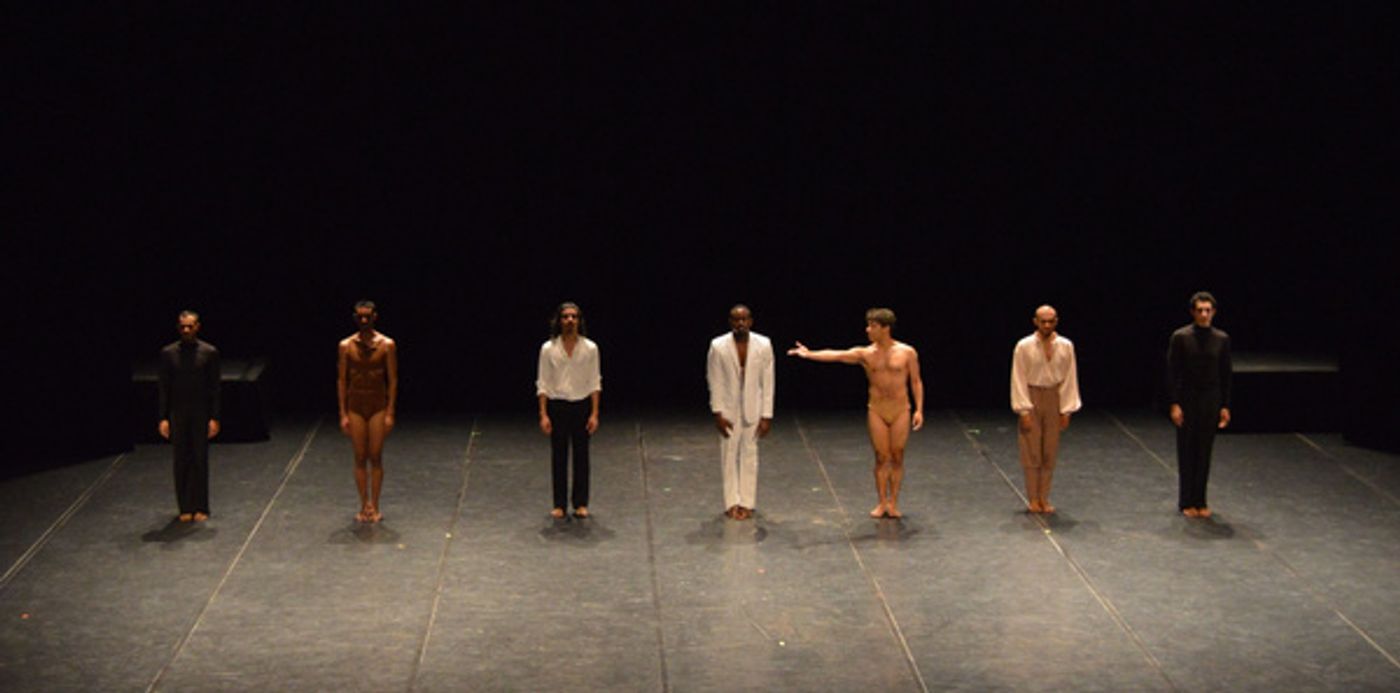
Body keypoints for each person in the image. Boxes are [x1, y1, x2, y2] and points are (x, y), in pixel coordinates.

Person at [788, 308, 924, 518]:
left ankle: (893, 503)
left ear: (885, 328)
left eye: (873, 326)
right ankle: (881, 502)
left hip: (900, 410)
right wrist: (809, 354)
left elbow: (915, 381)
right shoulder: (865, 354)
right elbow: (837, 355)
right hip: (877, 410)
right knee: (881, 457)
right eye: (868, 325)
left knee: (897, 456)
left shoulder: (907, 352)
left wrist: (919, 409)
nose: (868, 329)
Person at [1010, 305, 1082, 514]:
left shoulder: (1065, 345)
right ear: (1035, 321)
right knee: (1031, 451)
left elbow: (1070, 377)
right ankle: (1032, 498)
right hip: (1032, 396)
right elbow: (1018, 378)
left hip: (1054, 397)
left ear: (1056, 321)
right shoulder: (1024, 346)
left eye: (1051, 321)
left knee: (1050, 450)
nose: (1047, 325)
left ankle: (1044, 497)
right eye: (1043, 321)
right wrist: (1023, 410)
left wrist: (1066, 410)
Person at [707, 304, 776, 521]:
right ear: (730, 322)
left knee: (749, 454)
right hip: (728, 408)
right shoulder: (718, 346)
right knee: (728, 455)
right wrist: (717, 412)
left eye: (744, 319)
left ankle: (747, 502)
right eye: (736, 320)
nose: (740, 323)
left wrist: (767, 414)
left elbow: (768, 381)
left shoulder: (763, 344)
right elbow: (714, 380)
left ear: (751, 321)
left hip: (753, 408)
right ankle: (731, 502)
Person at [1167, 291, 1232, 518]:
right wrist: (1174, 403)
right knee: (1187, 449)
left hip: (1210, 399)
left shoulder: (1221, 339)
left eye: (1208, 310)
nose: (1204, 314)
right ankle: (1186, 501)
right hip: (1187, 398)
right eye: (1200, 310)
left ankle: (1201, 500)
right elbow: (1173, 372)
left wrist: (1225, 405)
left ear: (1213, 312)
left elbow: (1226, 374)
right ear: (1193, 312)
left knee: (1205, 450)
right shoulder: (1181, 337)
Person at [536, 302, 601, 519]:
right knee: (559, 455)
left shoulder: (590, 348)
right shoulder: (548, 349)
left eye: (574, 317)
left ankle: (581, 503)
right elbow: (543, 383)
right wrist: (543, 414)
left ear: (579, 320)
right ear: (559, 320)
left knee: (581, 455)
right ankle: (560, 504)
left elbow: (594, 382)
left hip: (581, 404)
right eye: (566, 317)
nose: (570, 320)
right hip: (558, 405)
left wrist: (594, 413)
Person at [158, 310, 221, 522]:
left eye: (190, 326)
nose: (186, 329)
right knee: (181, 459)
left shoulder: (209, 352)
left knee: (200, 459)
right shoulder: (168, 353)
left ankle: (201, 505)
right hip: (178, 413)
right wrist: (163, 418)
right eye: (183, 326)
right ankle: (185, 506)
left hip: (200, 413)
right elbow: (164, 388)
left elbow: (215, 388)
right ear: (178, 328)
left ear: (197, 327)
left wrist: (214, 417)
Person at [337, 300, 398, 523]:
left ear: (374, 317)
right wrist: (342, 413)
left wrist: (390, 412)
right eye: (360, 317)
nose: (364, 320)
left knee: (376, 455)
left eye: (368, 316)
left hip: (377, 406)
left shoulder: (387, 345)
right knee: (360, 456)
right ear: (355, 318)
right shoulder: (345, 346)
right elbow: (342, 380)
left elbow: (392, 380)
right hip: (356, 405)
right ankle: (364, 505)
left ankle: (376, 505)